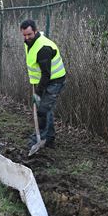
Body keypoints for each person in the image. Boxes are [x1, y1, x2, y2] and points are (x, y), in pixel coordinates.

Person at [20, 19, 66, 148]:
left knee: (42, 110)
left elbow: (46, 74)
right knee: (47, 110)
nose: (27, 37)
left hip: (55, 81)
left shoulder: (43, 48)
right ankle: (49, 139)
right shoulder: (28, 43)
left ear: (35, 31)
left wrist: (38, 93)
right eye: (24, 35)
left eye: (29, 34)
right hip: (42, 80)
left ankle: (37, 139)